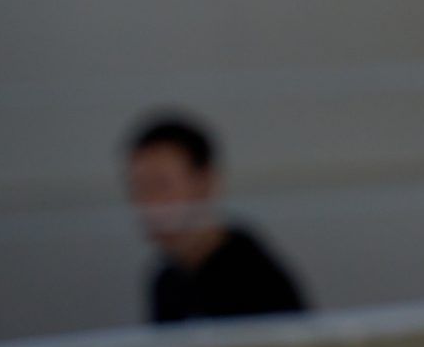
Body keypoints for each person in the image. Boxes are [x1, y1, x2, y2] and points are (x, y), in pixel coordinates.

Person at [122, 112, 307, 324]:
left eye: (162, 185)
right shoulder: (166, 283)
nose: (149, 202)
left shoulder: (251, 277)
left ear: (205, 182)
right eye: (139, 187)